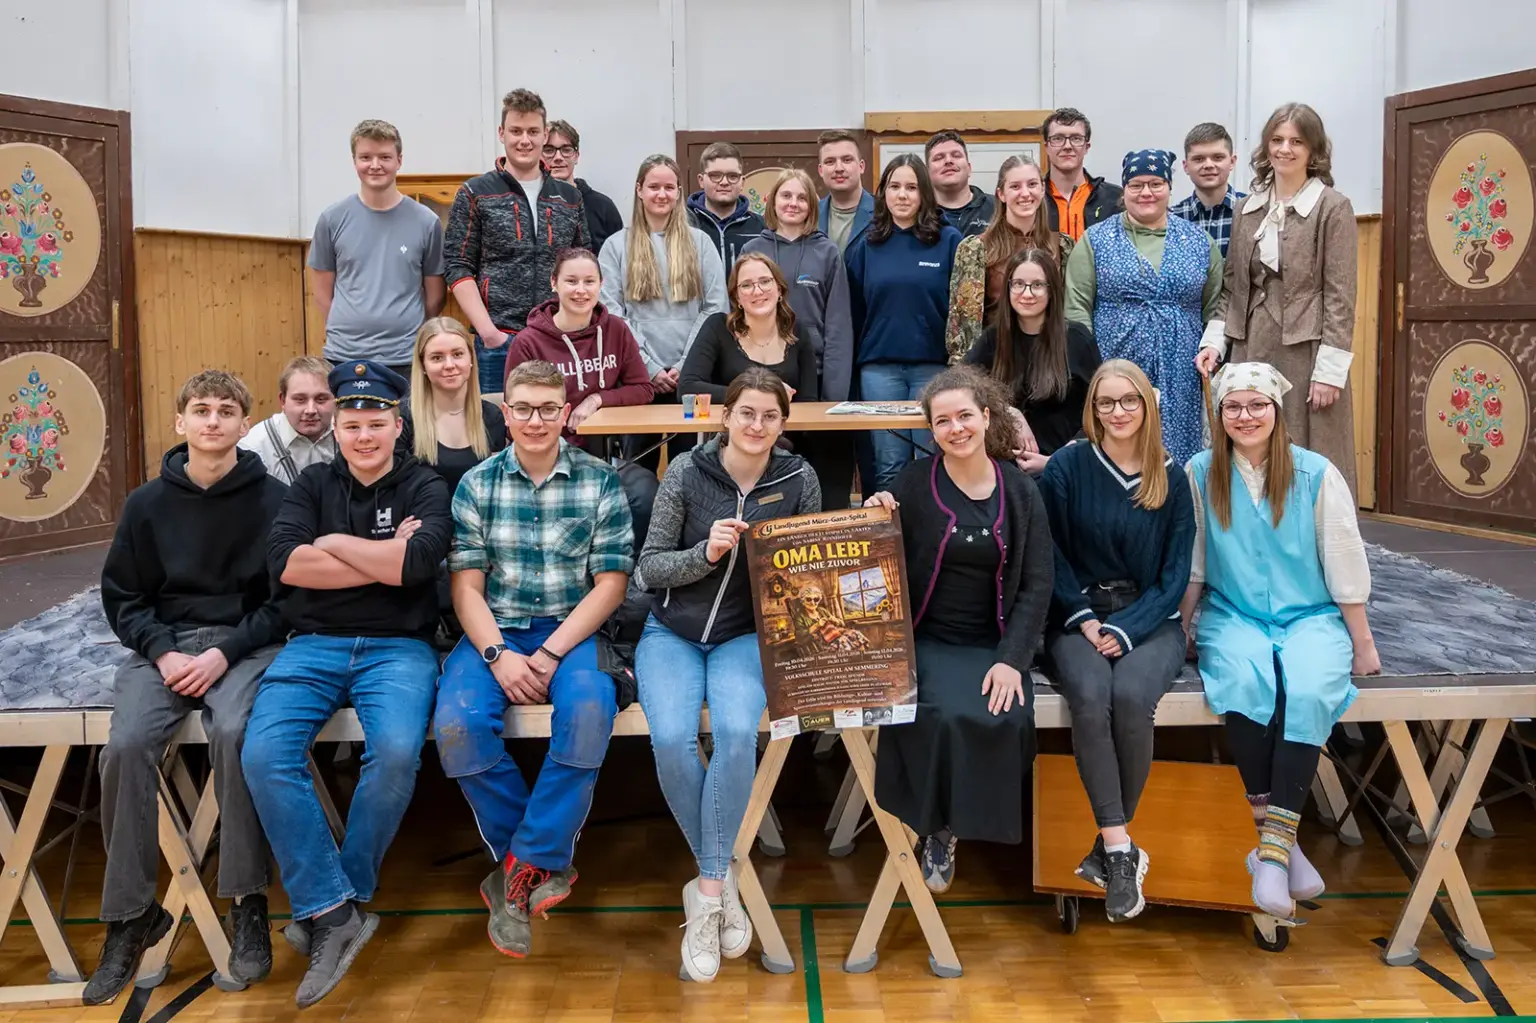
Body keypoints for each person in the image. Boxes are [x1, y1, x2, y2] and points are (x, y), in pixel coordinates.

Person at [241, 361, 452, 1009]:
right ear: (335, 426)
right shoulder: (309, 483)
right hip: (313, 644)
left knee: (392, 754)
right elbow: (288, 566)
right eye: (351, 424)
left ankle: (341, 897)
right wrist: (381, 561)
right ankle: (335, 912)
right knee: (262, 754)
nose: (363, 436)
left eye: (375, 423)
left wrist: (335, 545)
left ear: (397, 424)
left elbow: (419, 563)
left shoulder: (425, 483)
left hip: (400, 647)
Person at [89, 371, 288, 1004]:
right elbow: (123, 597)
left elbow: (286, 601)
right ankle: (130, 914)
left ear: (242, 424)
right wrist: (163, 651)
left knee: (235, 733)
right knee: (122, 748)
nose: (212, 421)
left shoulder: (275, 500)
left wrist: (226, 652)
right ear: (181, 424)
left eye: (226, 411)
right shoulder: (147, 504)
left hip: (244, 645)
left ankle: (247, 901)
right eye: (200, 411)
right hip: (166, 649)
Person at [433, 359, 634, 959]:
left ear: (566, 412)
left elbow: (611, 585)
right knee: (457, 726)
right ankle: (537, 858)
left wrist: (548, 653)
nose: (536, 419)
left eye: (549, 408)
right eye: (523, 408)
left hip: (572, 633)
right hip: (495, 630)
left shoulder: (600, 481)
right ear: (505, 412)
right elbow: (466, 588)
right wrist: (498, 655)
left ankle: (517, 872)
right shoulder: (477, 484)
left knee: (591, 711)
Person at [633, 368, 821, 982]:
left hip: (746, 638)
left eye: (770, 417)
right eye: (747, 413)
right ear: (726, 417)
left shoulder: (800, 479)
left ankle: (706, 891)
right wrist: (704, 554)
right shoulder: (688, 472)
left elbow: (813, 566)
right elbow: (649, 569)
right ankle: (723, 882)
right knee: (670, 739)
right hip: (672, 634)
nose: (757, 425)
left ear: (782, 426)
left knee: (740, 736)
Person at [1179, 362, 1379, 922]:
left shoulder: (1316, 473)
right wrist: (1182, 628)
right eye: (1233, 407)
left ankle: (1268, 853)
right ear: (1219, 416)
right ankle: (1281, 849)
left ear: (1276, 411)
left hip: (1311, 615)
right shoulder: (1200, 472)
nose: (1245, 416)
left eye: (1257, 405)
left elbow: (1343, 560)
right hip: (1234, 613)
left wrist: (1362, 642)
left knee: (1310, 685)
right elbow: (1194, 563)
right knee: (1245, 680)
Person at [863, 367, 1052, 893]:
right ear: (931, 430)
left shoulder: (1019, 491)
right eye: (942, 421)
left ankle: (985, 832)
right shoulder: (911, 485)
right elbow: (870, 558)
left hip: (994, 642)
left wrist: (1013, 659)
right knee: (936, 713)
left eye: (965, 416)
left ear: (987, 417)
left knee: (1004, 714)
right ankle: (938, 830)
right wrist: (873, 516)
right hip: (927, 639)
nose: (956, 428)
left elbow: (1038, 583)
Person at [1037, 359, 1195, 924]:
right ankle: (1122, 848)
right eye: (1107, 403)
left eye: (1129, 401)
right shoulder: (1068, 466)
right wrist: (1083, 618)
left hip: (1148, 620)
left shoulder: (1170, 477)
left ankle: (1108, 852)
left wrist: (1128, 630)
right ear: (1093, 409)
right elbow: (1047, 554)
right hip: (1076, 614)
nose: (1118, 412)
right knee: (1088, 694)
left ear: (1147, 406)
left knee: (1130, 698)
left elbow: (1176, 575)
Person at [1196, 103, 1359, 495]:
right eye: (1277, 140)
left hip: (1306, 353)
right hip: (1250, 347)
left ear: (1313, 150)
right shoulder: (1245, 210)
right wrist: (1214, 342)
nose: (1285, 149)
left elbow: (1340, 295)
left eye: (1296, 141)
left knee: (1307, 456)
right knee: (1250, 449)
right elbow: (1234, 287)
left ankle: (1312, 546)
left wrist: (1329, 372)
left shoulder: (1332, 208)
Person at [1065, 149, 1223, 465]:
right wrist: (1092, 368)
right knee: (1119, 447)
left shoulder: (1198, 241)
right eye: (1137, 185)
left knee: (1176, 453)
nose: (1146, 192)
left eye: (1156, 183)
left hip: (1182, 370)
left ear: (1169, 187)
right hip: (1115, 363)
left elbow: (1215, 307)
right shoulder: (1096, 239)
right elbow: (1077, 308)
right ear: (1124, 190)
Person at [445, 88, 589, 397]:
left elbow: (582, 264)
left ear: (544, 134)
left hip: (558, 338)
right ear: (501, 133)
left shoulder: (569, 197)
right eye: (516, 131)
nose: (525, 140)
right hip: (500, 341)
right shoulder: (475, 193)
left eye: (533, 131)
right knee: (498, 430)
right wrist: (488, 332)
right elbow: (457, 266)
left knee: (559, 427)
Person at [599, 154, 728, 470]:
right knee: (638, 469)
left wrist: (687, 365)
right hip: (637, 378)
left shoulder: (700, 243)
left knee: (694, 466)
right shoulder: (616, 246)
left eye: (669, 187)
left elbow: (714, 309)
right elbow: (613, 314)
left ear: (679, 193)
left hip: (693, 379)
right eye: (653, 186)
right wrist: (650, 367)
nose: (661, 194)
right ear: (639, 190)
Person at [847, 154, 963, 489]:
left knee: (932, 462)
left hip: (933, 370)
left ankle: (930, 540)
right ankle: (891, 541)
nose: (902, 195)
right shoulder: (866, 245)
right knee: (889, 465)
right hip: (879, 371)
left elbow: (962, 309)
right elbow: (853, 312)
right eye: (895, 186)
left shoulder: (949, 241)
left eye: (911, 187)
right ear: (882, 193)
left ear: (925, 193)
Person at [742, 168, 856, 505]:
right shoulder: (753, 249)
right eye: (786, 196)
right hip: (765, 375)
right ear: (772, 202)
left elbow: (838, 325)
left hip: (818, 379)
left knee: (825, 472)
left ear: (811, 205)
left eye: (801, 197)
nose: (793, 203)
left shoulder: (827, 252)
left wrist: (832, 398)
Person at [308, 120, 446, 381]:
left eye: (384, 157)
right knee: (348, 423)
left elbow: (435, 297)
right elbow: (322, 294)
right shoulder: (332, 219)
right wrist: (352, 328)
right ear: (354, 161)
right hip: (343, 355)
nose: (375, 165)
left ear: (399, 160)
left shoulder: (426, 222)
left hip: (405, 357)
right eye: (366, 157)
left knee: (405, 423)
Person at [965, 248, 1100, 468]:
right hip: (1005, 469)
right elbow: (960, 384)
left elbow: (1098, 408)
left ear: (1052, 290)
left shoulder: (1077, 339)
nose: (1027, 293)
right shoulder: (994, 338)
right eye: (1018, 284)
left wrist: (1060, 460)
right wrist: (1008, 410)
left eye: (1037, 285)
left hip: (1066, 466)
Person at [507, 247, 655, 440]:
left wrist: (596, 400)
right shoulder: (528, 342)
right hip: (549, 446)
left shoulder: (616, 329)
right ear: (554, 282)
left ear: (601, 284)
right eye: (571, 281)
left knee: (642, 472)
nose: (581, 290)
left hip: (603, 447)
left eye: (589, 282)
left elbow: (643, 389)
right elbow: (517, 411)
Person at [945, 153, 1074, 361]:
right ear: (1001, 194)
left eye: (1032, 184)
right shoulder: (976, 249)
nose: (1025, 193)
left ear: (1042, 189)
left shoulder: (1062, 246)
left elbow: (1068, 313)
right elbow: (964, 326)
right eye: (1015, 186)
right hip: (996, 361)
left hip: (1049, 361)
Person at [680, 254, 819, 402]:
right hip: (730, 424)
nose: (757, 291)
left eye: (765, 282)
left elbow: (809, 400)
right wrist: (758, 394)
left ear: (779, 289)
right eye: (746, 285)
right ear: (737, 297)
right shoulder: (718, 327)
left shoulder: (798, 332)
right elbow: (687, 388)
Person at [400, 317, 508, 494]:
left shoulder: (492, 416)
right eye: (437, 357)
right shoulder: (404, 418)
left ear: (471, 358)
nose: (449, 365)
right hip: (424, 518)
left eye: (457, 354)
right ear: (423, 365)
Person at [240, 355, 337, 485]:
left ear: (337, 400)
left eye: (321, 399)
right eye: (300, 400)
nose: (310, 410)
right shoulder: (253, 448)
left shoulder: (352, 437)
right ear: (283, 401)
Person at [1041, 107, 1123, 241]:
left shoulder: (1115, 199)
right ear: (1046, 147)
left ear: (1087, 147)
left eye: (1076, 138)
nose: (1067, 146)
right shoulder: (1033, 198)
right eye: (1058, 138)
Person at [544, 120, 623, 256]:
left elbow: (620, 259)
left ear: (576, 156)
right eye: (549, 150)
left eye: (566, 150)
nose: (558, 157)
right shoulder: (530, 205)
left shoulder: (603, 206)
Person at [1171, 122, 1247, 258]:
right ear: (1186, 166)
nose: (1208, 165)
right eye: (1198, 159)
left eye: (1218, 157)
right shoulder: (1172, 219)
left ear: (1232, 162)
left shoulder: (1253, 212)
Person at [687, 141, 765, 269]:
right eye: (715, 176)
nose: (724, 182)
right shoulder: (683, 224)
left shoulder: (761, 228)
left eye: (732, 176)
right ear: (701, 180)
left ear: (742, 182)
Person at [925, 131, 995, 238]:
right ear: (927, 172)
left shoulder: (997, 208)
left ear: (969, 168)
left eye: (956, 155)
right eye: (939, 158)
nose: (948, 161)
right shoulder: (918, 213)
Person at [817, 129, 875, 254]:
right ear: (821, 170)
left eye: (847, 160)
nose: (839, 168)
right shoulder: (810, 215)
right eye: (830, 162)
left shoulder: (883, 212)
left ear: (861, 166)